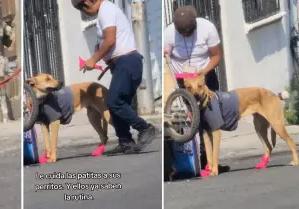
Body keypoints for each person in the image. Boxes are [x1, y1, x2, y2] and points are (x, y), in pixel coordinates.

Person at [71, 0, 156, 154]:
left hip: (128, 62)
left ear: (88, 2)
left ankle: (145, 128)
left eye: (82, 9)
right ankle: (125, 141)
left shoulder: (106, 10)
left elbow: (110, 40)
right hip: (122, 64)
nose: (84, 13)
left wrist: (94, 59)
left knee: (114, 101)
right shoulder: (105, 12)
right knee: (118, 103)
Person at [164, 5, 229, 171]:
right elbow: (165, 57)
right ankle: (188, 162)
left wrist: (203, 72)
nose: (185, 35)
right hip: (181, 82)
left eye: (189, 32)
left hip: (204, 78)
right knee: (185, 121)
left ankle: (211, 162)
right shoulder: (169, 33)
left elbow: (216, 55)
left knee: (209, 121)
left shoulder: (207, 28)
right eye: (182, 33)